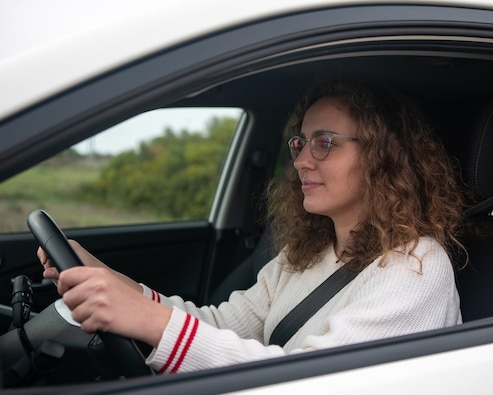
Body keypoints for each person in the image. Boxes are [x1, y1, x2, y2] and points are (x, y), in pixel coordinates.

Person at [39, 80, 467, 374]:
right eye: (300, 142)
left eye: (325, 142)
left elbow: (311, 381)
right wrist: (108, 278)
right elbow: (219, 325)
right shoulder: (306, 254)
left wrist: (150, 321)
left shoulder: (416, 268)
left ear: (382, 157)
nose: (300, 160)